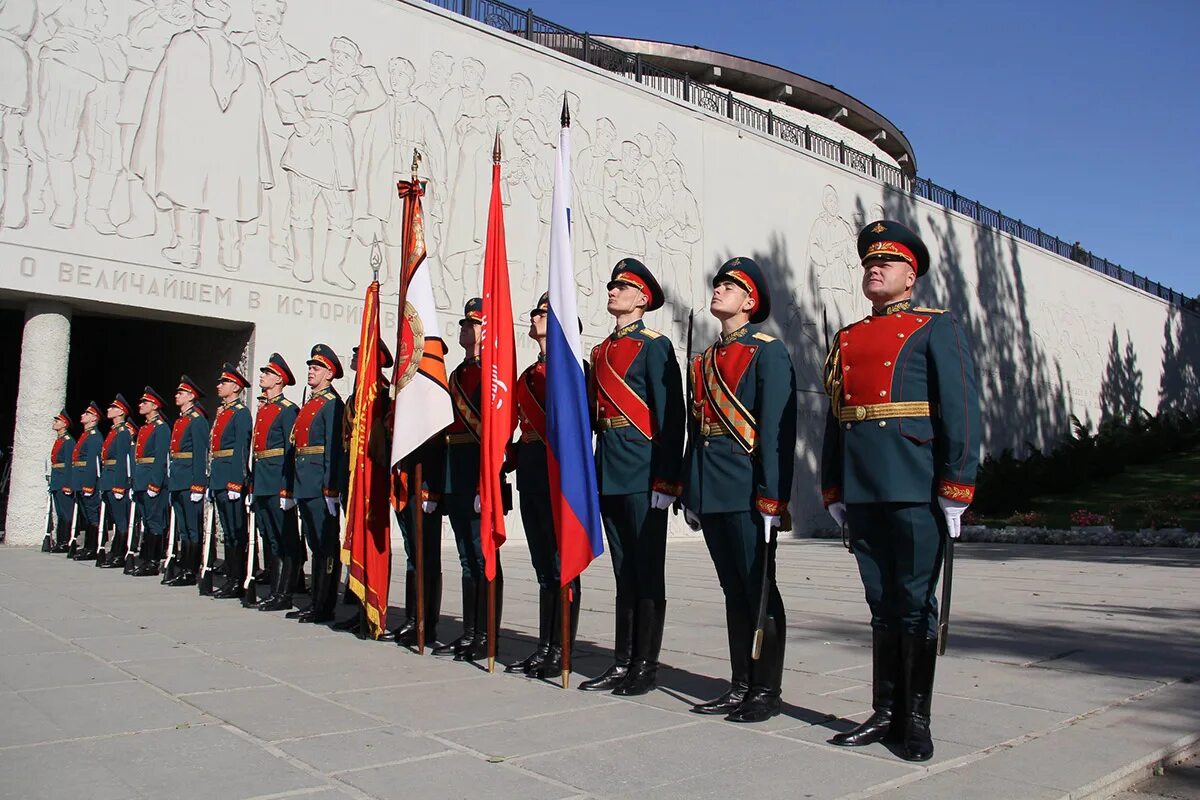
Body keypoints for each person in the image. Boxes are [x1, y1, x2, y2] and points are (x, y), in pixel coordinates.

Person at [821, 220, 981, 762]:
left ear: (910, 277)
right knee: (880, 603)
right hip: (864, 484)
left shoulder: (937, 328)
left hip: (914, 481)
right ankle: (884, 710)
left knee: (914, 603)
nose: (874, 269)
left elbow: (959, 406)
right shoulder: (847, 337)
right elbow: (837, 415)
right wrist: (833, 485)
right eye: (869, 262)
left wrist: (957, 483)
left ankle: (916, 718)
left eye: (885, 263)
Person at [681, 258, 797, 723]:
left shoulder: (767, 352)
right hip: (712, 491)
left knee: (759, 589)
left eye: (730, 286)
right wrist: (692, 490)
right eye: (718, 284)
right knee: (733, 590)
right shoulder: (705, 360)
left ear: (750, 302)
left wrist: (773, 496)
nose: (719, 290)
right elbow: (697, 430)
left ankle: (766, 689)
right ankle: (739, 683)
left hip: (749, 491)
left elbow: (774, 432)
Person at [580, 260, 683, 695]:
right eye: (611, 284)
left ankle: (645, 665)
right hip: (610, 470)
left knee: (646, 571)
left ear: (642, 298)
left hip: (643, 472)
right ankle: (621, 661)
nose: (612, 291)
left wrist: (666, 480)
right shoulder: (600, 351)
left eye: (621, 286)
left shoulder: (654, 346)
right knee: (624, 571)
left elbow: (671, 415)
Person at [505, 292, 580, 678]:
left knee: (562, 564)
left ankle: (562, 647)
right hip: (531, 470)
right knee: (543, 568)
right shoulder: (526, 376)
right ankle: (545, 646)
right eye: (535, 311)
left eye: (543, 312)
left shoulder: (573, 369)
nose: (534, 317)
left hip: (559, 474)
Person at [432, 299, 503, 662]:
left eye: (472, 324)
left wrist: (485, 482)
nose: (465, 329)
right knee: (465, 558)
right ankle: (470, 632)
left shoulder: (493, 374)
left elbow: (498, 432)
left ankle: (488, 635)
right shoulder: (457, 375)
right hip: (454, 472)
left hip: (479, 474)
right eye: (463, 324)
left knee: (483, 555)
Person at [284, 344, 345, 623]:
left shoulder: (332, 404)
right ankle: (315, 600)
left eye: (317, 367)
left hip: (321, 485)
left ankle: (324, 604)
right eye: (310, 367)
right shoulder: (311, 402)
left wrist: (331, 488)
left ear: (329, 373)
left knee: (326, 547)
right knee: (314, 545)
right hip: (304, 483)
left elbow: (334, 448)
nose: (311, 371)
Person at [252, 353, 301, 611]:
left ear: (279, 380)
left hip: (277, 482)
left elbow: (291, 451)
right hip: (262, 480)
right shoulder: (265, 410)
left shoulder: (287, 410)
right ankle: (275, 590)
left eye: (267, 374)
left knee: (286, 539)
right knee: (271, 538)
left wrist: (287, 487)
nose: (262, 377)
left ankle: (285, 593)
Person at [210, 364, 253, 599]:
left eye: (223, 383)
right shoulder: (224, 412)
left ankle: (237, 579)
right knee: (227, 532)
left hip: (231, 480)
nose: (219, 386)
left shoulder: (240, 413)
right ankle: (231, 576)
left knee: (237, 532)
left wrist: (236, 482)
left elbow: (240, 449)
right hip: (219, 477)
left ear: (235, 387)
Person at [167, 376, 210, 587]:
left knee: (193, 528)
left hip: (189, 480)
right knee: (183, 527)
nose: (177, 396)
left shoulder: (197, 420)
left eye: (181, 393)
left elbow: (200, 454)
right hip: (177, 478)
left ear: (191, 397)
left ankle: (191, 570)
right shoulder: (181, 420)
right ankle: (183, 566)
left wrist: (198, 484)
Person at [126, 387, 170, 572]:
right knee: (146, 519)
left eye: (145, 403)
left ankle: (152, 561)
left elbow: (160, 458)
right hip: (141, 479)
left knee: (154, 521)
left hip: (152, 479)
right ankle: (146, 557)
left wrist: (155, 483)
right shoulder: (145, 427)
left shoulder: (161, 428)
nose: (141, 405)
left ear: (154, 406)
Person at [98, 395, 136, 567]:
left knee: (122, 521)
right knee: (116, 519)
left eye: (113, 408)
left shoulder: (122, 434)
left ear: (121, 412)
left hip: (116, 480)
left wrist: (120, 486)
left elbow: (123, 460)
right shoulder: (114, 432)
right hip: (109, 478)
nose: (108, 410)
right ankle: (115, 551)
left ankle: (119, 554)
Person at [69, 402, 104, 560]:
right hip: (80, 478)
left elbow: (93, 463)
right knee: (86, 514)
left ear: (94, 418)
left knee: (92, 514)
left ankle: (92, 547)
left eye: (87, 414)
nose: (82, 416)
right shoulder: (85, 436)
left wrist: (89, 484)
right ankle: (88, 546)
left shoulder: (95, 437)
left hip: (87, 480)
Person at [47, 410, 76, 553]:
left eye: (57, 421)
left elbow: (70, 464)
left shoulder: (68, 441)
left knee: (66, 512)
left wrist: (68, 484)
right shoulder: (59, 440)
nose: (54, 423)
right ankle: (61, 541)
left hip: (64, 479)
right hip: (57, 479)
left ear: (64, 424)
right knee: (60, 512)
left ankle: (66, 541)